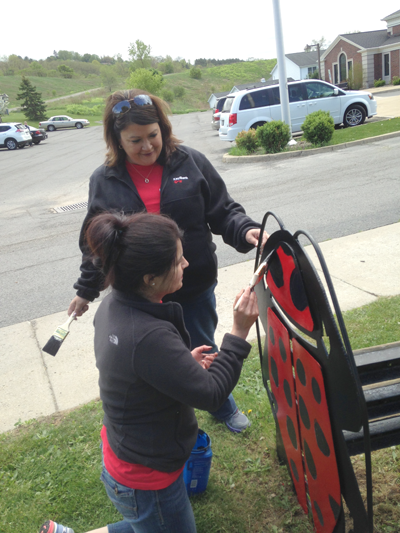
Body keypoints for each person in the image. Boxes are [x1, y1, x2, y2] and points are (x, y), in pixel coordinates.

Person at [40, 211, 259, 533]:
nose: (186, 264)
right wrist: (239, 332)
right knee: (159, 523)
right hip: (145, 476)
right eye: (178, 260)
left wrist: (179, 363)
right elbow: (211, 395)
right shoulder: (148, 337)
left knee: (148, 524)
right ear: (150, 278)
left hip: (124, 452)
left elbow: (137, 367)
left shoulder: (114, 306)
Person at [68, 89, 267, 432]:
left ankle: (221, 405)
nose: (147, 146)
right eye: (135, 140)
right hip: (139, 295)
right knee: (158, 357)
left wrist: (246, 229)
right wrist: (86, 290)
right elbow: (98, 244)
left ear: (163, 128)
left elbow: (223, 210)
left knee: (202, 346)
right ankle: (171, 413)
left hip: (193, 283)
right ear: (117, 140)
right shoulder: (104, 180)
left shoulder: (191, 162)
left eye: (153, 135)